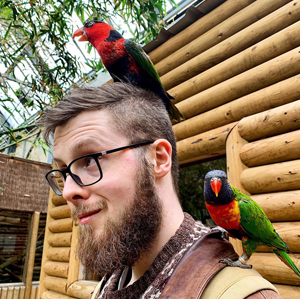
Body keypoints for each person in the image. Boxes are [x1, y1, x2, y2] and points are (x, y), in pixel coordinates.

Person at [41, 83, 282, 298]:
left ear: (157, 159)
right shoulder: (111, 282)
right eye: (63, 172)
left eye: (90, 160)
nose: (67, 191)